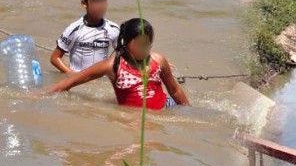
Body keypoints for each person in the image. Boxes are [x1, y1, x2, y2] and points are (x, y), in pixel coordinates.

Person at [48, 18, 190, 110]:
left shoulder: (158, 60)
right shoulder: (113, 65)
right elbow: (71, 81)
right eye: (140, 44)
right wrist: (42, 95)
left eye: (148, 44)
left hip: (166, 107)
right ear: (126, 43)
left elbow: (175, 90)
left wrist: (188, 111)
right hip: (133, 118)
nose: (145, 49)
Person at [51, 0, 120, 74]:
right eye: (96, 1)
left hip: (101, 80)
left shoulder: (113, 29)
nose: (100, 6)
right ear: (84, 4)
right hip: (78, 80)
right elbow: (55, 58)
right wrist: (74, 76)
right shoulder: (74, 29)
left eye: (103, 1)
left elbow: (124, 56)